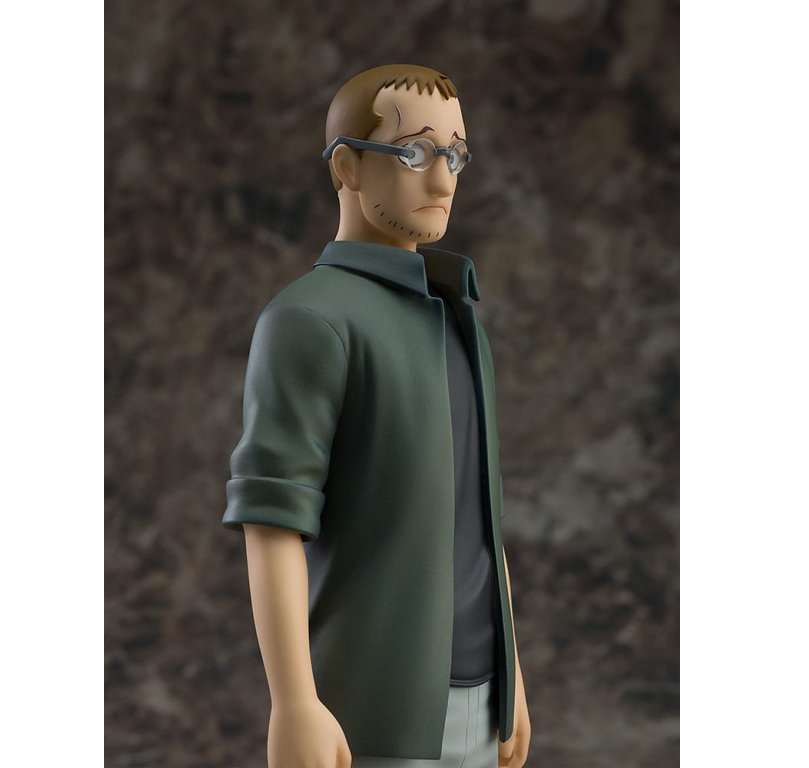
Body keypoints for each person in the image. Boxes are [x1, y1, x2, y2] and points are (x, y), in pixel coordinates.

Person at [222, 64, 531, 767]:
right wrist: (295, 702)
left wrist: (511, 673)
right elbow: (272, 520)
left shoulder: (455, 314)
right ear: (348, 167)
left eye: (455, 155)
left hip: (482, 700)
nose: (443, 180)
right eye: (415, 152)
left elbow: (481, 519)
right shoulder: (310, 318)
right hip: (371, 712)